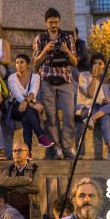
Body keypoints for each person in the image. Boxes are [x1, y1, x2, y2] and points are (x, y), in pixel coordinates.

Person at [31, 8, 79, 159]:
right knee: (51, 117)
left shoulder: (67, 38)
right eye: (51, 22)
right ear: (45, 23)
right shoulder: (40, 39)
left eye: (56, 22)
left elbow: (75, 62)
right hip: (47, 80)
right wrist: (45, 50)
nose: (54, 25)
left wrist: (66, 51)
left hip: (65, 80)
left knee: (69, 115)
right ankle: (56, 147)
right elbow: (35, 64)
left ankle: (67, 147)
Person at [6, 53, 55, 151]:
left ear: (27, 64)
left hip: (27, 108)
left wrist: (26, 102)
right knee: (28, 110)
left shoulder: (35, 77)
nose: (19, 65)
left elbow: (33, 92)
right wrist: (31, 104)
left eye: (22, 62)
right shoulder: (12, 78)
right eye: (17, 63)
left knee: (26, 118)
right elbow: (18, 96)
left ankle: (28, 151)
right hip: (15, 108)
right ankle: (40, 135)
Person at [77, 52, 110, 160]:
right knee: (105, 116)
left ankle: (92, 119)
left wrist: (108, 100)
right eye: (95, 63)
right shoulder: (84, 76)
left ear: (104, 66)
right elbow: (91, 94)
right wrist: (94, 76)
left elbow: (103, 100)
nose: (97, 66)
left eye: (100, 64)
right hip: (86, 108)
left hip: (99, 109)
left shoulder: (106, 81)